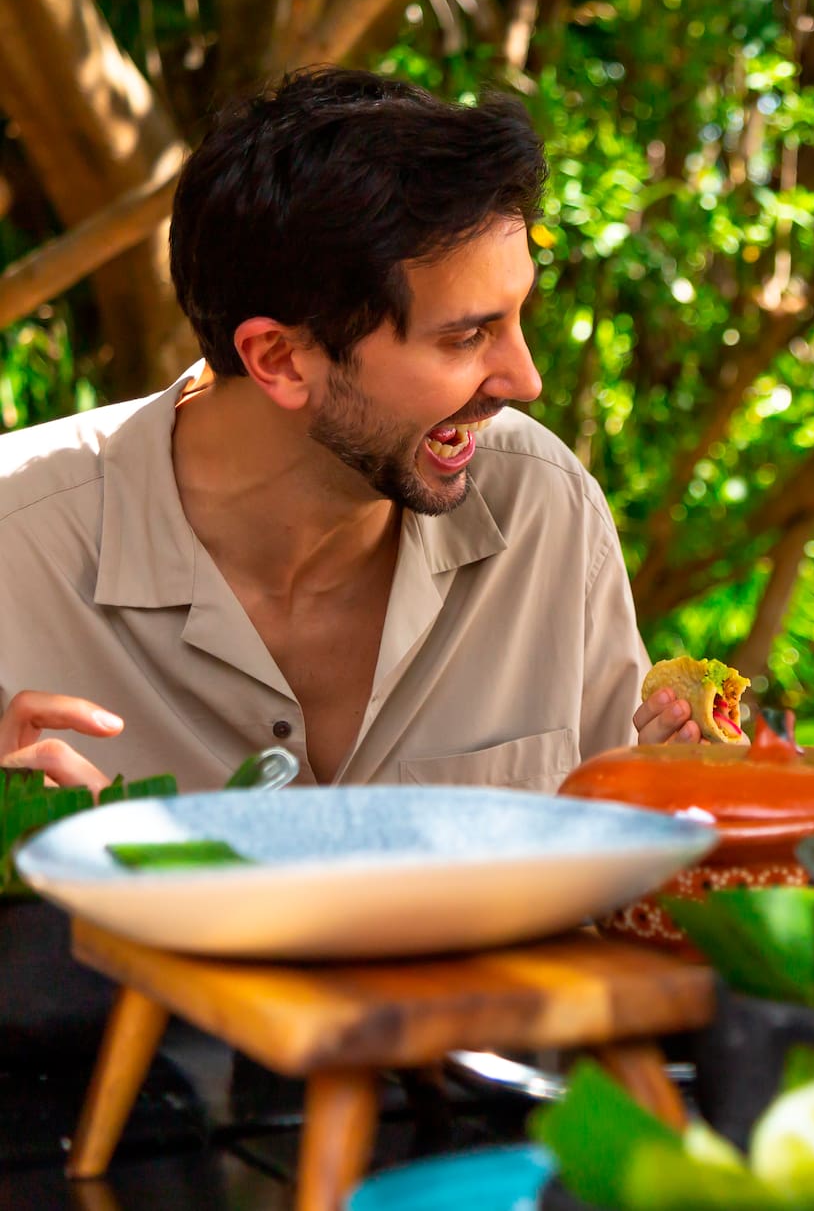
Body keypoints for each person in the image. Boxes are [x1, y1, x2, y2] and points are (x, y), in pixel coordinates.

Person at [0, 67, 700, 793]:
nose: (524, 381)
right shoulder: (14, 552)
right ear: (279, 359)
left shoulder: (545, 510)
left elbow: (626, 862)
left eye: (517, 316)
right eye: (465, 338)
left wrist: (680, 797)